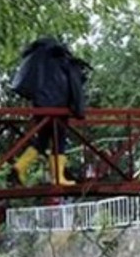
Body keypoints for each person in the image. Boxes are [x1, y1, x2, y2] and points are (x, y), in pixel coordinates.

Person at [8, 36, 91, 187]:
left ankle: (19, 168)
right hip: (57, 108)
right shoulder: (61, 60)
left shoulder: (37, 58)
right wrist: (78, 109)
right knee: (59, 141)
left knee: (42, 141)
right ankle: (58, 178)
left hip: (40, 106)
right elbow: (74, 85)